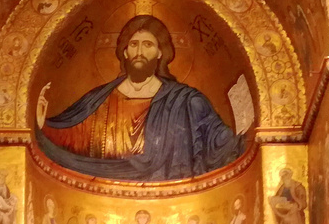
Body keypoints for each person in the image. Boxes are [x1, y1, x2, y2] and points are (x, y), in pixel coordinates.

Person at [35, 15, 249, 181]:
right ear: (125, 52)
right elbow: (72, 137)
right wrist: (43, 123)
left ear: (159, 53)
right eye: (134, 44)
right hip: (105, 193)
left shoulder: (187, 101)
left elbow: (221, 145)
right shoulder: (99, 99)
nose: (139, 51)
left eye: (148, 45)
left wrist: (247, 131)